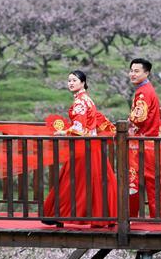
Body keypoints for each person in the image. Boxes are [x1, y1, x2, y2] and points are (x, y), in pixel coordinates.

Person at [42, 70, 119, 227]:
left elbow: (79, 127)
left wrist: (64, 131)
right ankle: (102, 216)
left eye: (74, 80)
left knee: (72, 180)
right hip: (92, 145)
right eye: (69, 80)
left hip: (83, 147)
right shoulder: (88, 100)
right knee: (94, 180)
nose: (70, 83)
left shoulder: (79, 102)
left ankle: (58, 214)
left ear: (83, 83)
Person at [127, 58, 161, 218]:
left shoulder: (143, 92)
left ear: (146, 73)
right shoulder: (147, 90)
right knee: (156, 181)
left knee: (135, 180)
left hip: (142, 144)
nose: (132, 74)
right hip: (150, 143)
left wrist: (126, 125)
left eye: (136, 71)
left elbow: (139, 118)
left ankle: (130, 215)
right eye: (131, 70)